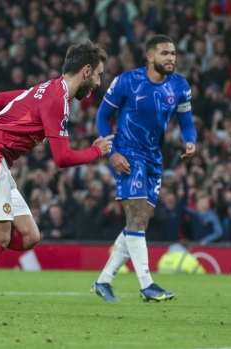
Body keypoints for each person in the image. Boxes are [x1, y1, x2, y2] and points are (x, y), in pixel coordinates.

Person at [0, 41, 113, 311]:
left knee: (28, 236)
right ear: (86, 71)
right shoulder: (56, 100)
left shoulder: (46, 88)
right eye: (98, 74)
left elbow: (3, 98)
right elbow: (62, 158)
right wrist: (96, 151)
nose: (98, 82)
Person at [91, 35, 197, 302]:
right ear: (150, 57)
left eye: (173, 53)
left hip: (154, 159)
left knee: (139, 222)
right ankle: (147, 286)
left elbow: (186, 122)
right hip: (127, 154)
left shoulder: (180, 86)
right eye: (164, 53)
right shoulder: (128, 80)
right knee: (137, 219)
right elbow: (103, 116)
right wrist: (112, 152)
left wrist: (190, 141)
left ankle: (103, 282)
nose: (171, 57)